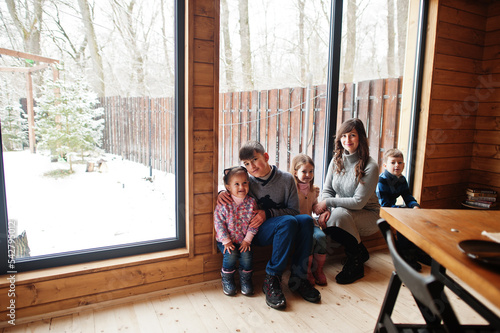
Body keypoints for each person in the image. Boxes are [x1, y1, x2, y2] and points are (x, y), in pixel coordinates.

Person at [218, 141, 320, 310]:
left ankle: (298, 278)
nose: (251, 167)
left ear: (266, 157)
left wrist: (268, 213)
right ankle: (272, 278)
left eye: (254, 160)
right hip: (255, 232)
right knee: (288, 222)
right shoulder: (247, 182)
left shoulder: (286, 179)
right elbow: (232, 183)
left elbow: (294, 211)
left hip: (283, 225)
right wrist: (222, 192)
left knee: (306, 220)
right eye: (246, 164)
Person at [315, 118, 380, 284]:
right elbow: (327, 190)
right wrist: (326, 209)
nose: (347, 140)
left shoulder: (370, 166)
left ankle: (356, 262)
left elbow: (358, 202)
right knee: (331, 219)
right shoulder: (337, 160)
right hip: (344, 211)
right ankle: (361, 251)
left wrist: (329, 203)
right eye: (343, 136)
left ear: (361, 138)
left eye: (352, 135)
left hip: (368, 215)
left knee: (338, 217)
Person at [376, 148, 431, 271]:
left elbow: (407, 196)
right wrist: (404, 210)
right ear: (385, 165)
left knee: (415, 216)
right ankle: (406, 254)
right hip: (379, 210)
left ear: (404, 165)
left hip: (391, 209)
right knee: (403, 220)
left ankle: (416, 250)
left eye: (400, 163)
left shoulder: (402, 179)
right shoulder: (382, 180)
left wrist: (414, 206)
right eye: (393, 162)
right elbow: (384, 205)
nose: (397, 165)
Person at [214, 166, 258, 296]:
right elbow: (218, 222)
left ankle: (245, 280)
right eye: (236, 184)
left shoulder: (251, 203)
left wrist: (247, 240)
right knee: (231, 254)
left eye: (245, 183)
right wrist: (226, 241)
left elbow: (254, 224)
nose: (241, 187)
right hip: (226, 241)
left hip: (245, 240)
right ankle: (227, 279)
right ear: (228, 187)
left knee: (246, 255)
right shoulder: (224, 203)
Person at [290, 153, 330, 285]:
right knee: (311, 241)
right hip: (298, 225)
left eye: (311, 171)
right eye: (304, 171)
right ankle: (307, 270)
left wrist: (323, 211)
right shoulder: (292, 190)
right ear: (295, 173)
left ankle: (318, 270)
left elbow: (314, 207)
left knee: (321, 237)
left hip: (311, 224)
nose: (308, 175)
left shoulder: (314, 190)